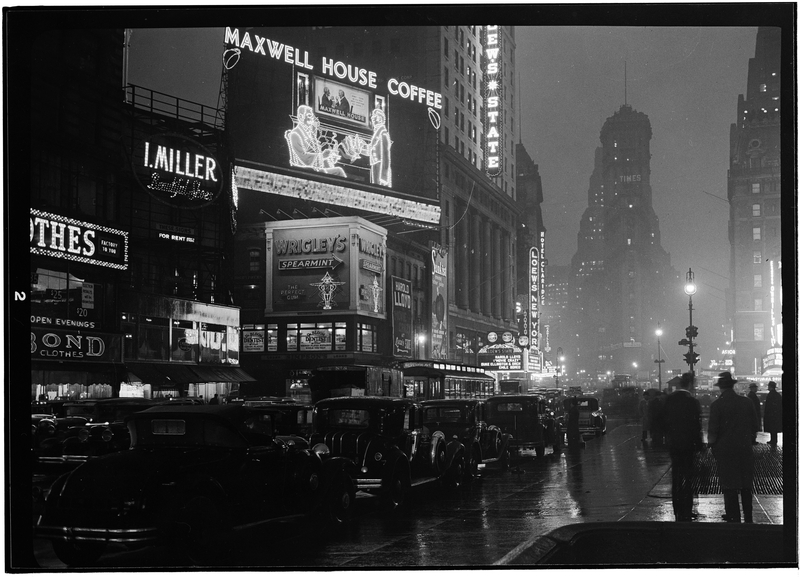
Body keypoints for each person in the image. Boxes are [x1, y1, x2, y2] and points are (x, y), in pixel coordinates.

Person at [707, 371, 759, 523]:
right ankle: (748, 516)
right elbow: (755, 425)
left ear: (720, 388)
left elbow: (713, 430)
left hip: (725, 450)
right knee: (746, 484)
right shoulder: (746, 402)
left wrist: (712, 446)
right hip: (744, 448)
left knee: (729, 484)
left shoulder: (717, 405)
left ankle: (733, 515)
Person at [661, 373, 704, 522]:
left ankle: (677, 509)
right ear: (691, 384)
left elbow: (662, 421)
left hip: (674, 444)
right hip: (688, 445)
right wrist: (700, 445)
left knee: (676, 476)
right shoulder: (692, 401)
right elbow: (696, 426)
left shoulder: (669, 400)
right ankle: (687, 509)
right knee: (688, 477)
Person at [285, 104, 347, 177]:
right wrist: (322, 156)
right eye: (309, 116)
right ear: (301, 117)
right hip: (305, 170)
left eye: (312, 115)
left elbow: (317, 154)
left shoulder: (310, 133)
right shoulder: (295, 134)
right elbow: (303, 158)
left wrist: (329, 158)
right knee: (335, 171)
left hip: (316, 168)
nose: (312, 118)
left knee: (338, 170)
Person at [763, 381, 782, 446]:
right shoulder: (777, 395)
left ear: (770, 387)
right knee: (774, 428)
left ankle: (773, 440)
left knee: (772, 428)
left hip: (771, 414)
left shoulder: (770, 395)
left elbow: (768, 406)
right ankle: (774, 440)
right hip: (776, 414)